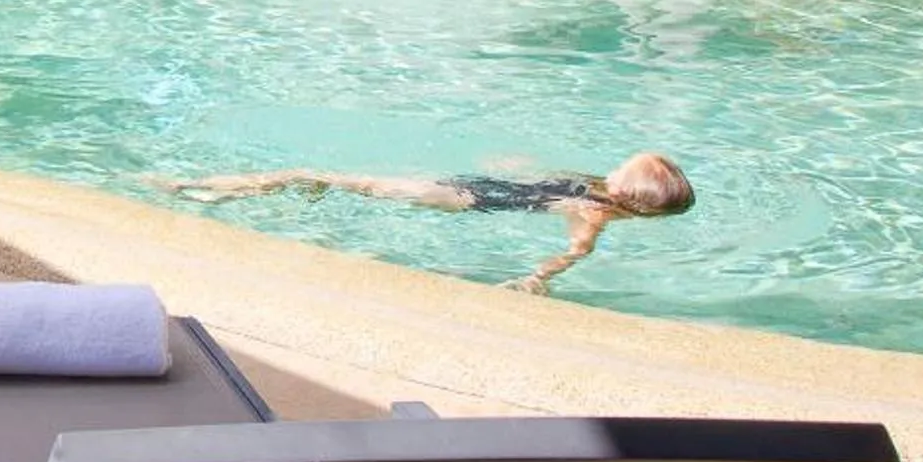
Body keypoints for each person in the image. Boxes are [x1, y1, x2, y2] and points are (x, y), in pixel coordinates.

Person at [167, 152, 694, 294]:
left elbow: (576, 247)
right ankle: (216, 189)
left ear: (626, 189)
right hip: (464, 198)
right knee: (333, 178)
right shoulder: (600, 205)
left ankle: (213, 190)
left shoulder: (593, 197)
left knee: (336, 179)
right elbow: (579, 249)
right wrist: (539, 279)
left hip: (467, 192)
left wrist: (538, 278)